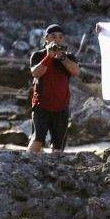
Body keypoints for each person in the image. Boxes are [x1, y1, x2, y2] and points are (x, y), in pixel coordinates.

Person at [27, 24, 80, 153]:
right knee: (38, 139)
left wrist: (61, 57)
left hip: (61, 107)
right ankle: (23, 165)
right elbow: (36, 73)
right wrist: (49, 57)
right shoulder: (38, 55)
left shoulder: (69, 57)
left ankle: (56, 171)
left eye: (60, 37)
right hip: (41, 105)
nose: (57, 39)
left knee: (58, 145)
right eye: (53, 36)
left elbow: (75, 71)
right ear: (46, 39)